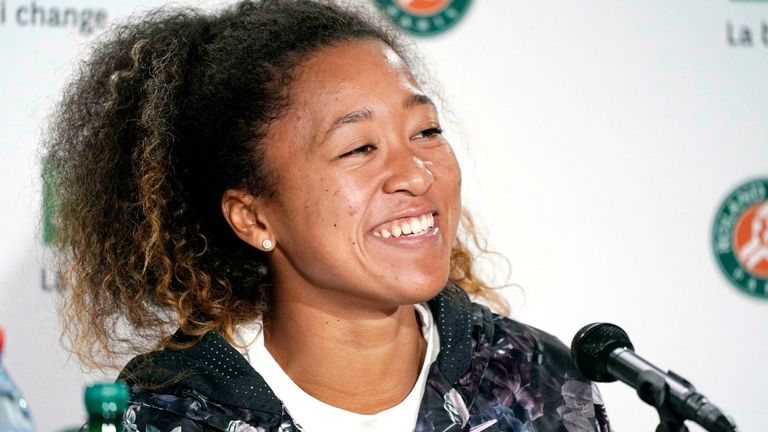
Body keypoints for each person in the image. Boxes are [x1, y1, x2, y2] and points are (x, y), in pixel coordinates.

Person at [44, 1, 612, 431]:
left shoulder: (538, 380)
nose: (416, 173)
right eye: (359, 148)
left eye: (426, 132)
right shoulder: (167, 415)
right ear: (253, 218)